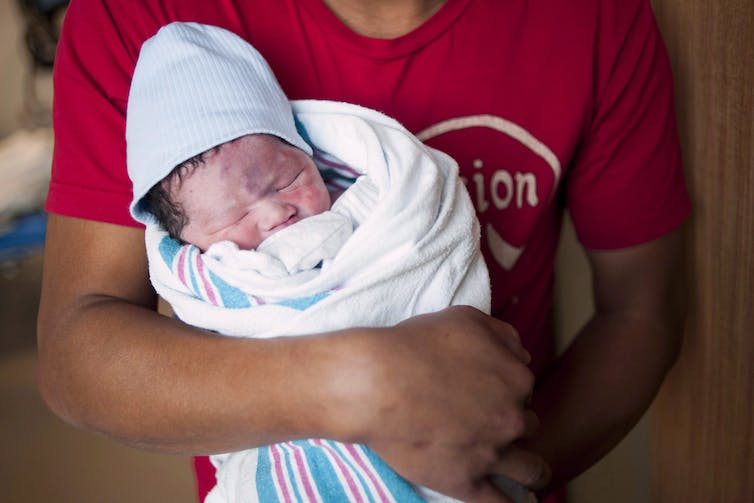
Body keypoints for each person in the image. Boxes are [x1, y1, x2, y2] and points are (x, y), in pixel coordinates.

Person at [38, 1, 690, 502]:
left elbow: (642, 309)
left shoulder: (594, 17)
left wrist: (483, 468)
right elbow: (77, 350)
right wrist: (351, 384)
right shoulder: (141, 22)